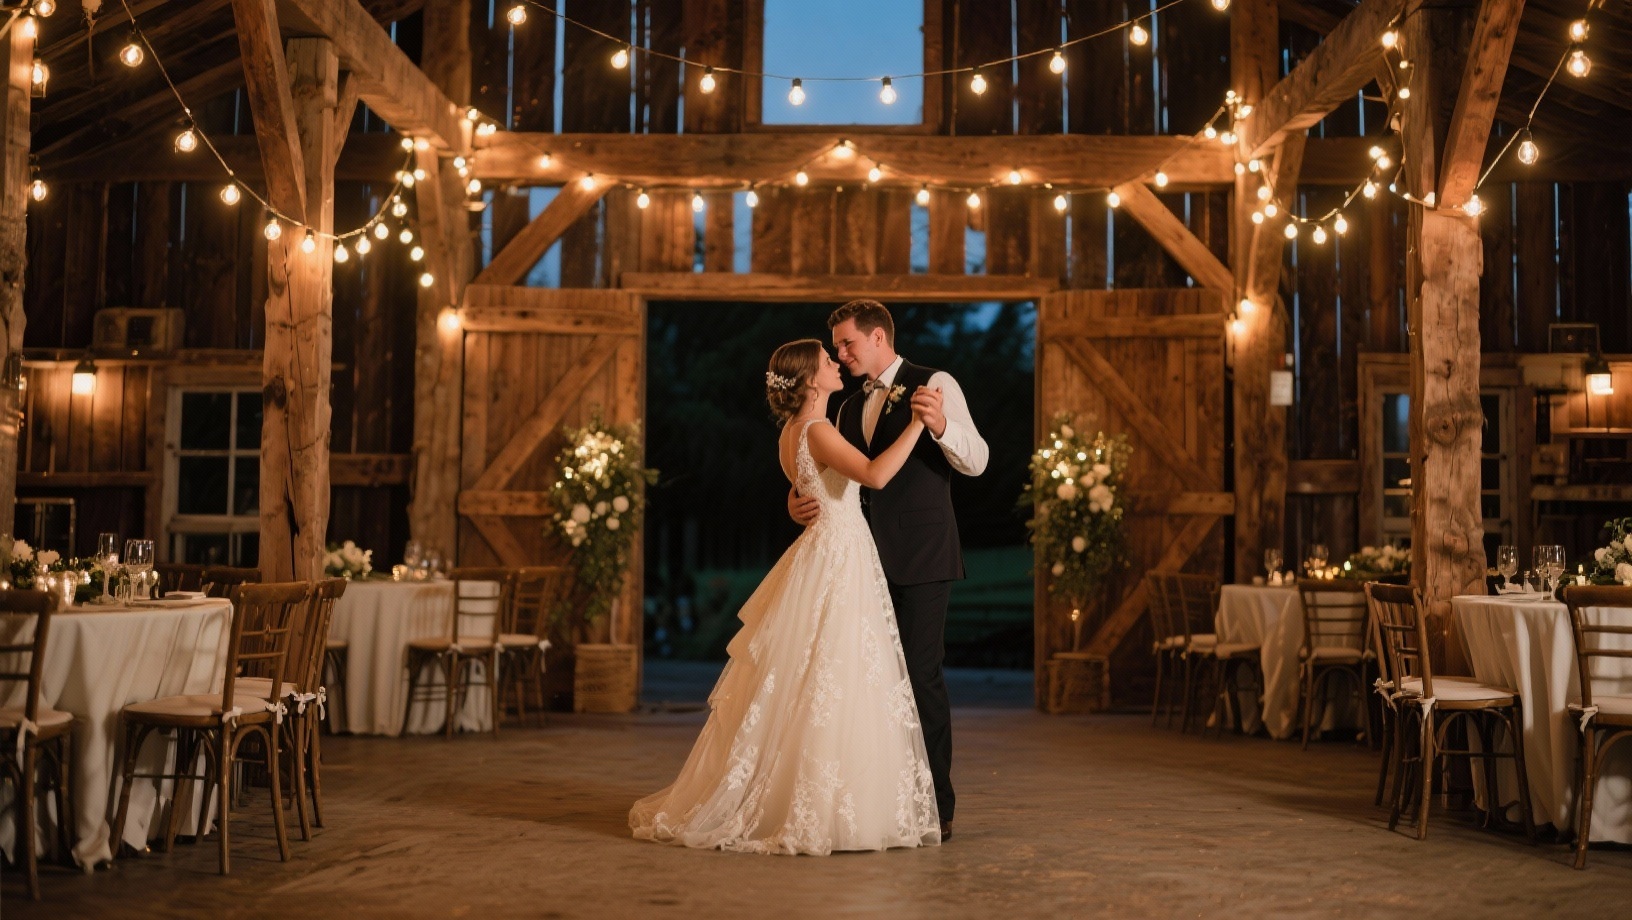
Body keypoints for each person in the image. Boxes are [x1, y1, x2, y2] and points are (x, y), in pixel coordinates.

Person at [629, 339, 940, 855]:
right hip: (839, 560)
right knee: (835, 676)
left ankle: (818, 797)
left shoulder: (795, 432)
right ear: (811, 380)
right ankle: (825, 804)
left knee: (815, 678)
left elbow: (813, 483)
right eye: (826, 360)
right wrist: (917, 424)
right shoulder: (817, 429)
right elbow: (877, 476)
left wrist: (797, 499)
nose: (836, 363)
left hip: (827, 553)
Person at [791, 299, 988, 842]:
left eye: (848, 343)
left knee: (921, 676)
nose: (841, 353)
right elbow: (837, 474)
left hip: (925, 555)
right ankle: (887, 801)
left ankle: (938, 806)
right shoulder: (847, 405)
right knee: (874, 685)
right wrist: (795, 498)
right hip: (861, 562)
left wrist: (942, 424)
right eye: (836, 347)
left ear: (879, 338)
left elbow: (978, 459)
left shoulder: (935, 380)